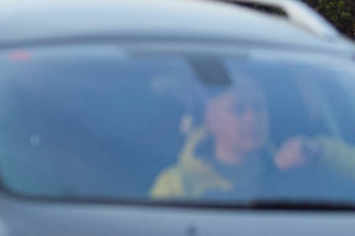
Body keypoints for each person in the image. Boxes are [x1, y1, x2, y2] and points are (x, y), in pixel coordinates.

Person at [151, 75, 355, 199]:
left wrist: (320, 151)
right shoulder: (177, 184)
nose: (252, 118)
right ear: (211, 120)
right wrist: (274, 173)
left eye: (258, 107)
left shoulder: (298, 165)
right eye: (238, 109)